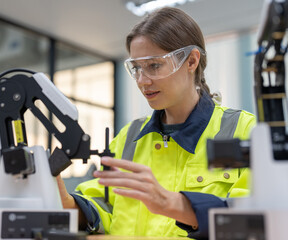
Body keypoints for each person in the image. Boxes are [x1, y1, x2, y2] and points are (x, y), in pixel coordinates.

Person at [57, 6, 256, 239]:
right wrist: (61, 197)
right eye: (137, 68)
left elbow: (253, 223)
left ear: (191, 61)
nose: (142, 81)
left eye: (154, 66)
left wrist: (171, 203)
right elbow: (101, 206)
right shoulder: (128, 137)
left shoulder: (244, 132)